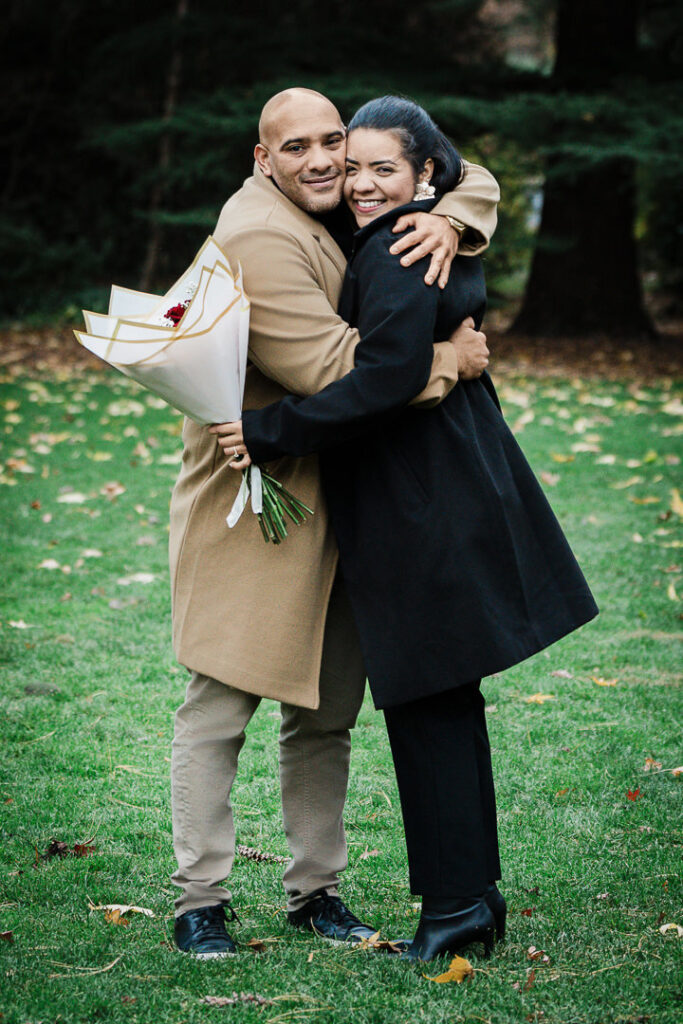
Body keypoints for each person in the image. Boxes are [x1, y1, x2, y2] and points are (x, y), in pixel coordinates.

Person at [213, 96, 599, 962]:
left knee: (429, 706)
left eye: (380, 168)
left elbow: (383, 377)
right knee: (446, 704)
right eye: (351, 166)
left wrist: (268, 432)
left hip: (417, 499)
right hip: (443, 483)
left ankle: (455, 908)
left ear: (426, 172)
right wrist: (452, 217)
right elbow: (459, 195)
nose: (357, 182)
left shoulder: (398, 248)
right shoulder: (420, 231)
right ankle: (475, 895)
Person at [169, 87, 500, 958]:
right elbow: (336, 370)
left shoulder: (341, 203)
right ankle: (199, 900)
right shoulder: (259, 235)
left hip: (341, 495)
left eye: (335, 144)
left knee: (323, 711)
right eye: (298, 149)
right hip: (254, 496)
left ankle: (314, 892)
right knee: (220, 704)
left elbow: (459, 172)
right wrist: (450, 358)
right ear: (261, 159)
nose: (323, 163)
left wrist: (450, 215)